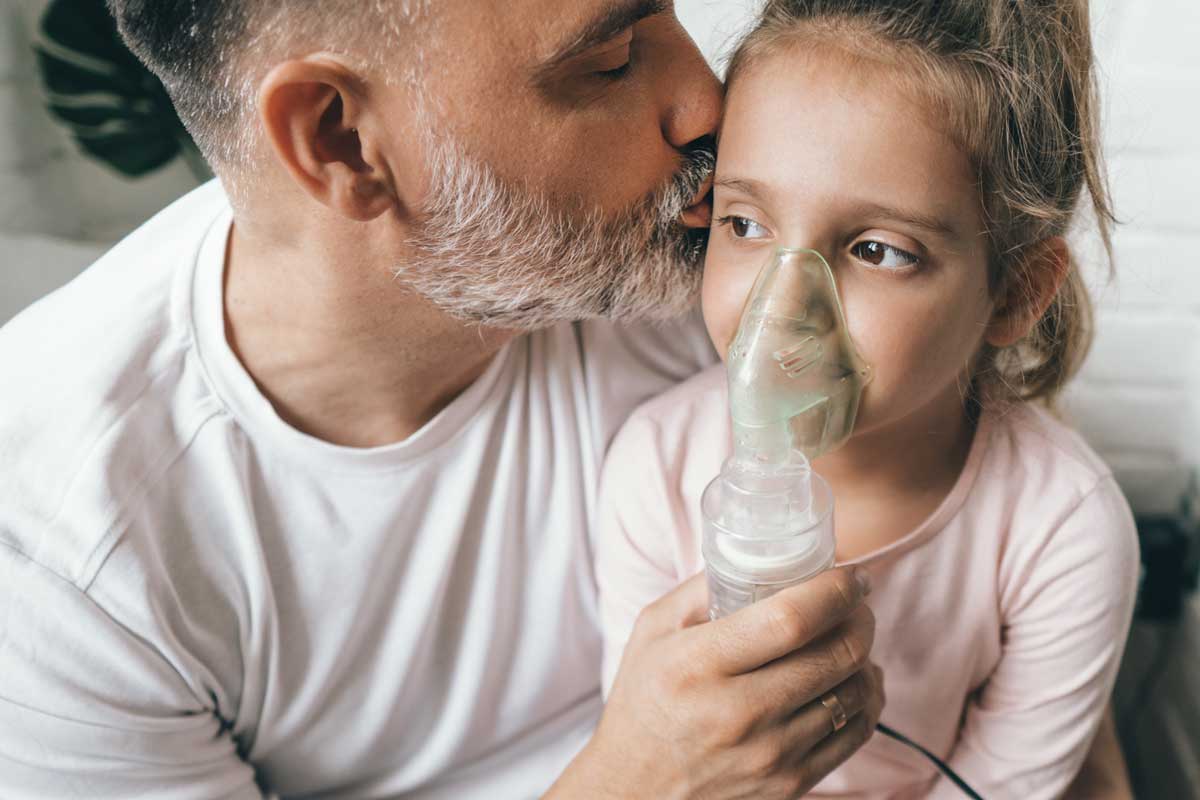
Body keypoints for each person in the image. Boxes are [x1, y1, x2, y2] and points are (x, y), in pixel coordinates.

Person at [0, 1, 886, 797]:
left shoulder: (690, 248)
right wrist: (639, 784)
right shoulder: (59, 570)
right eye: (612, 59)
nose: (706, 100)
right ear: (343, 140)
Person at [596, 1, 1139, 798]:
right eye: (746, 224)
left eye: (877, 250)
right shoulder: (655, 467)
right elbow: (650, 751)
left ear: (1015, 293)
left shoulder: (1062, 530)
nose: (785, 312)